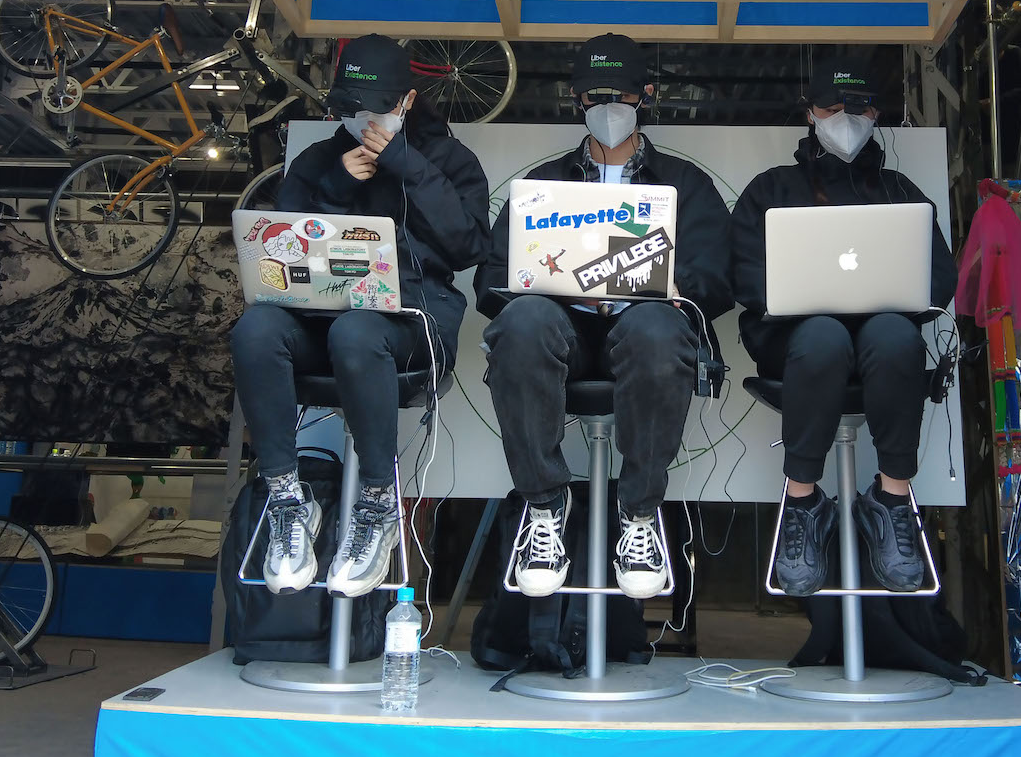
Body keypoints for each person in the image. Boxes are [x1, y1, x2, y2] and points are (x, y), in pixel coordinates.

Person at [230, 35, 490, 597]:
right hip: (317, 319)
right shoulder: (318, 160)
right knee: (255, 328)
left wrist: (407, 165)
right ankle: (286, 497)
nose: (364, 119)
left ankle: (378, 501)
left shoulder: (450, 159)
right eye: (351, 107)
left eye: (377, 107)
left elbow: (469, 246)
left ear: (407, 101)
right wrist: (336, 188)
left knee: (357, 330)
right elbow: (281, 252)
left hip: (411, 321)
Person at [476, 34, 731, 601]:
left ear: (647, 95)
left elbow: (719, 277)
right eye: (595, 97)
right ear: (576, 100)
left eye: (621, 95)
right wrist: (537, 285)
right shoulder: (541, 187)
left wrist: (674, 288)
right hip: (560, 333)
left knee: (658, 327)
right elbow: (489, 280)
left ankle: (639, 512)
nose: (608, 107)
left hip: (642, 335)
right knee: (522, 321)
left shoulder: (684, 184)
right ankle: (544, 508)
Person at [730, 52, 956, 596]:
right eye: (833, 108)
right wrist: (794, 298)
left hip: (881, 340)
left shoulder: (899, 191)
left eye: (858, 109)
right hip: (798, 341)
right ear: (810, 112)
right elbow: (740, 271)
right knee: (823, 335)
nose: (846, 120)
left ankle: (891, 500)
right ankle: (803, 503)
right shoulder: (772, 189)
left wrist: (898, 297)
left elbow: (939, 275)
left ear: (875, 114)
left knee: (895, 334)